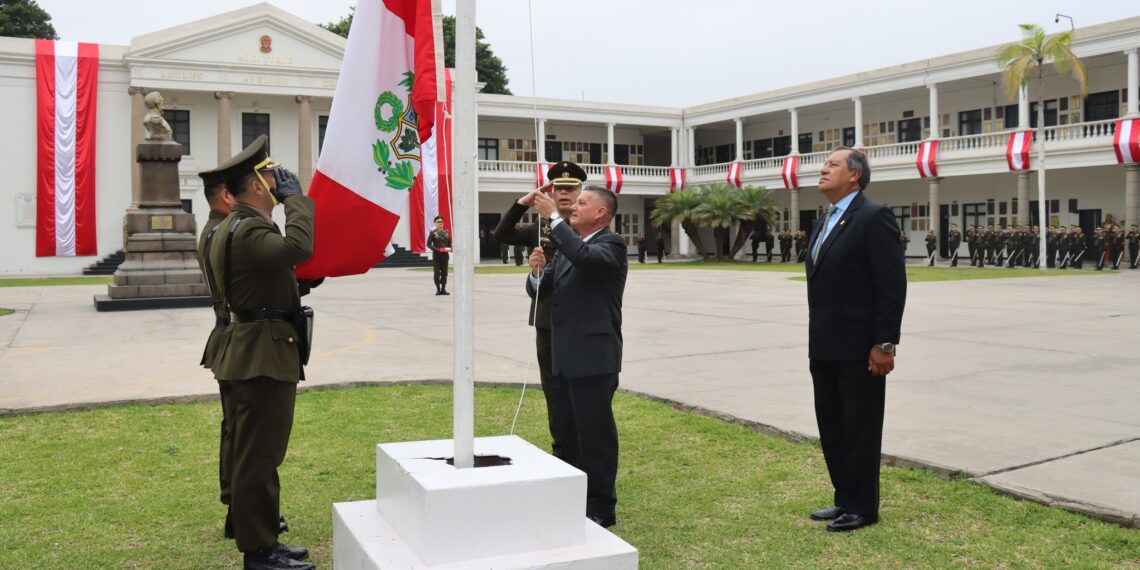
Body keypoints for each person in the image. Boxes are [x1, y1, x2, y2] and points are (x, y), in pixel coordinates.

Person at [203, 135, 314, 570]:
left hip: (247, 348)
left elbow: (259, 277)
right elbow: (298, 248)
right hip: (261, 354)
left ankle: (257, 531)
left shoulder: (230, 225)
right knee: (260, 455)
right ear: (254, 185)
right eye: (270, 173)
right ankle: (259, 550)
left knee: (248, 449)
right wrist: (298, 202)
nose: (278, 177)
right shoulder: (248, 226)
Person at [804, 147, 906, 533]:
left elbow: (891, 286)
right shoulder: (825, 219)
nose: (823, 169)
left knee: (860, 427)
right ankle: (844, 497)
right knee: (832, 425)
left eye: (832, 165)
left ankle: (863, 507)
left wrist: (885, 343)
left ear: (855, 176)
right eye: (824, 164)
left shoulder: (873, 216)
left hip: (861, 348)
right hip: (825, 344)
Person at [526, 183, 627, 529]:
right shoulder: (569, 247)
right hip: (565, 355)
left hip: (594, 357)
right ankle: (574, 493)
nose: (574, 206)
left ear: (601, 213)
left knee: (594, 433)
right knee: (568, 431)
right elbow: (543, 290)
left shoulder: (610, 244)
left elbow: (586, 260)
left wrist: (552, 217)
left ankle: (601, 505)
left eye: (582, 202)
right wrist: (536, 273)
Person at [493, 161, 585, 465]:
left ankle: (582, 450)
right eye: (559, 188)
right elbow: (502, 234)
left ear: (580, 191)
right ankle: (561, 452)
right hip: (546, 322)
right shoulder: (541, 228)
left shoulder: (586, 225)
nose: (564, 193)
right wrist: (524, 202)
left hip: (578, 324)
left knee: (579, 393)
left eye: (571, 188)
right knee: (554, 393)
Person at [428, 216, 452, 295]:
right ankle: (438, 289)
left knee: (444, 273)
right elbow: (428, 244)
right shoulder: (433, 233)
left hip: (445, 255)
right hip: (437, 256)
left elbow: (449, 242)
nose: (441, 224)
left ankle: (443, 289)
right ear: (435, 224)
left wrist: (450, 247)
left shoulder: (446, 232)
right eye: (439, 223)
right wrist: (436, 249)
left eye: (441, 223)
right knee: (437, 273)